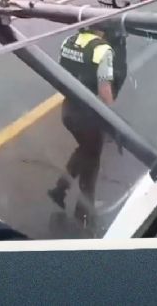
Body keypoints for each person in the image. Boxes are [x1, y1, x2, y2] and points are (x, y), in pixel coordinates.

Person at [47, 22, 115, 234]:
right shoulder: (103, 49)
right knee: (92, 160)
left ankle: (60, 190)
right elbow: (104, 90)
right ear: (100, 29)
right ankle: (84, 213)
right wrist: (111, 120)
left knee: (84, 151)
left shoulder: (68, 42)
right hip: (88, 115)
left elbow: (58, 75)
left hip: (68, 110)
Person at [96, 0, 157, 95]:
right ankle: (111, 95)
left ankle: (104, 84)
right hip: (117, 33)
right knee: (119, 66)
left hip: (105, 28)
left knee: (107, 60)